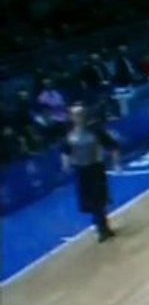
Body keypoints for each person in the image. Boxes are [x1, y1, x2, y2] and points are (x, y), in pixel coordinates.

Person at [62, 103, 122, 242]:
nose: (79, 117)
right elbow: (65, 150)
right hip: (81, 170)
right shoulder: (70, 135)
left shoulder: (95, 131)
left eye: (81, 114)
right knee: (90, 201)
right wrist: (66, 165)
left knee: (99, 198)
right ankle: (101, 225)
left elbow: (112, 146)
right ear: (72, 117)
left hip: (95, 167)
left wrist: (116, 163)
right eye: (76, 115)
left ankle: (102, 226)